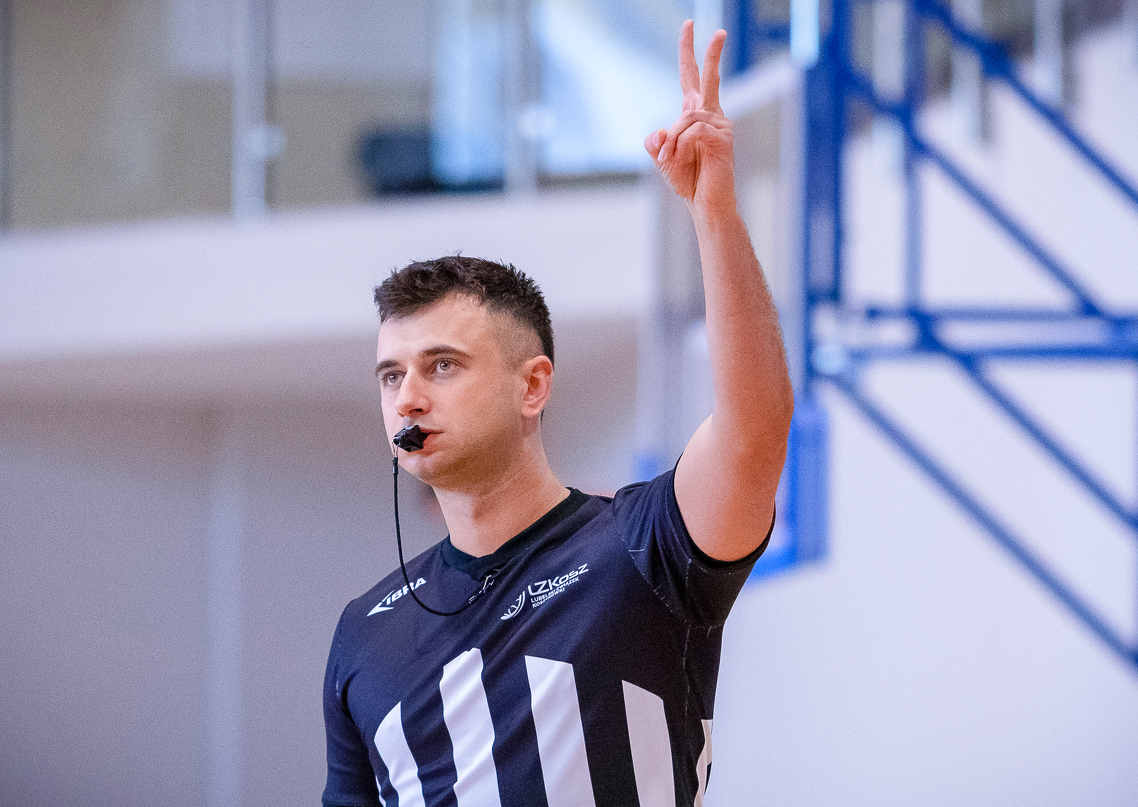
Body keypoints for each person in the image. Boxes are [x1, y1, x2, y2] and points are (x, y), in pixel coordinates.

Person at [322, 20, 793, 807]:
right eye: (391, 374)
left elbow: (755, 435)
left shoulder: (640, 547)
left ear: (533, 386)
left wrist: (714, 213)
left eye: (442, 365)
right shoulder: (364, 631)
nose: (408, 395)